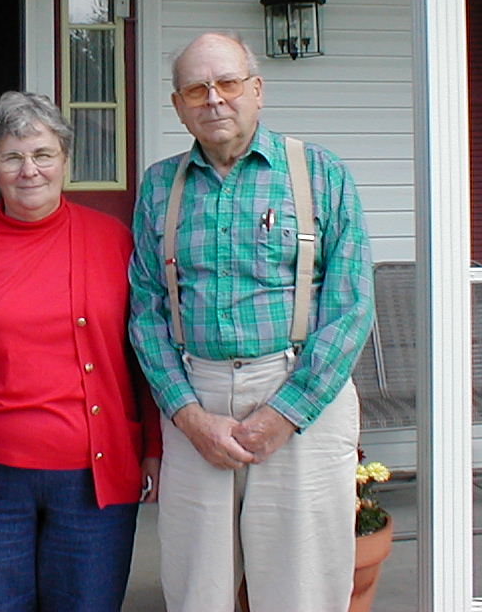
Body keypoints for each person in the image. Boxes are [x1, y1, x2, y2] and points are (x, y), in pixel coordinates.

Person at [129, 32, 373, 612]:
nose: (214, 99)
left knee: (302, 593)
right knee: (197, 591)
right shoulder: (160, 186)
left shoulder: (320, 174)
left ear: (257, 90)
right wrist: (189, 417)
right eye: (196, 89)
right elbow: (146, 310)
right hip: (197, 397)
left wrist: (285, 414)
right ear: (178, 105)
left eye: (228, 83)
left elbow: (350, 306)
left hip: (301, 395)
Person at [0, 91, 162, 611]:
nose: (29, 170)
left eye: (43, 154)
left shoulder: (113, 241)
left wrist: (154, 448)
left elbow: (145, 354)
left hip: (94, 481)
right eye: (12, 156)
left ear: (65, 159)